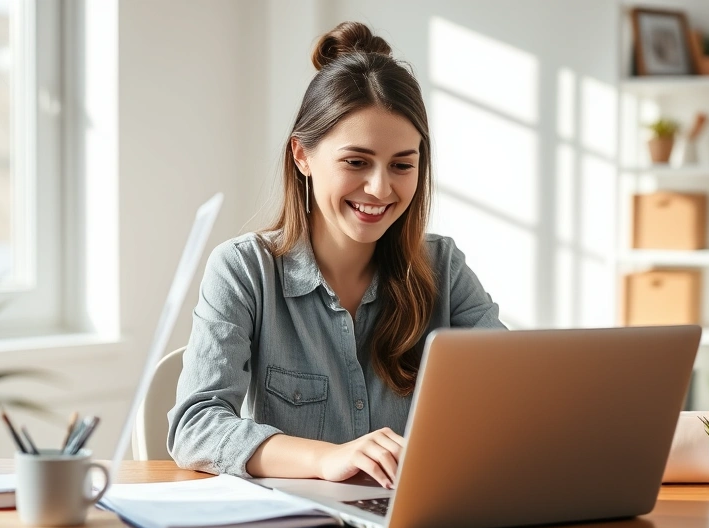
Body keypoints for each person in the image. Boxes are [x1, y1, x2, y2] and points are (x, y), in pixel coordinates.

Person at [166, 21, 504, 489]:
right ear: (302, 156)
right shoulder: (244, 271)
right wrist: (327, 459)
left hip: (413, 527)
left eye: (402, 164)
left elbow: (512, 393)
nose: (381, 188)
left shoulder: (442, 267)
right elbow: (195, 427)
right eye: (356, 161)